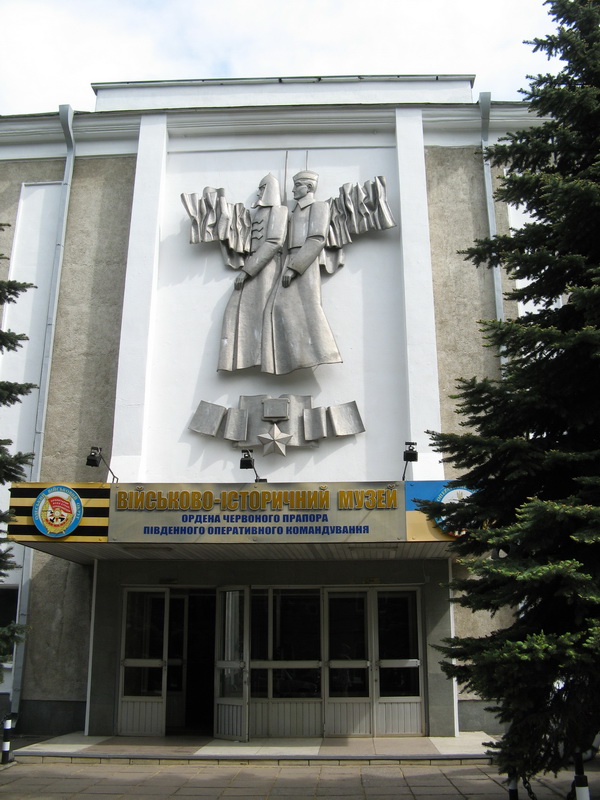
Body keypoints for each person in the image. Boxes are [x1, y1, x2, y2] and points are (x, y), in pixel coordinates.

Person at [261, 171, 342, 375]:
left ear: (309, 187)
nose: (293, 190)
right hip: (290, 260)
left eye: (297, 186)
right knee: (277, 308)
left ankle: (320, 352)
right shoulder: (295, 211)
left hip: (304, 264)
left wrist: (294, 268)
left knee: (308, 308)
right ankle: (292, 356)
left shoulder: (319, 207)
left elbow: (316, 239)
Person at [218, 174, 288, 371]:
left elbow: (274, 242)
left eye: (262, 188)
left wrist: (247, 271)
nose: (258, 193)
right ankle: (241, 357)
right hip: (253, 263)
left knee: (262, 312)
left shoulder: (279, 211)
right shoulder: (258, 213)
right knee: (235, 310)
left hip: (266, 268)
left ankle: (265, 358)